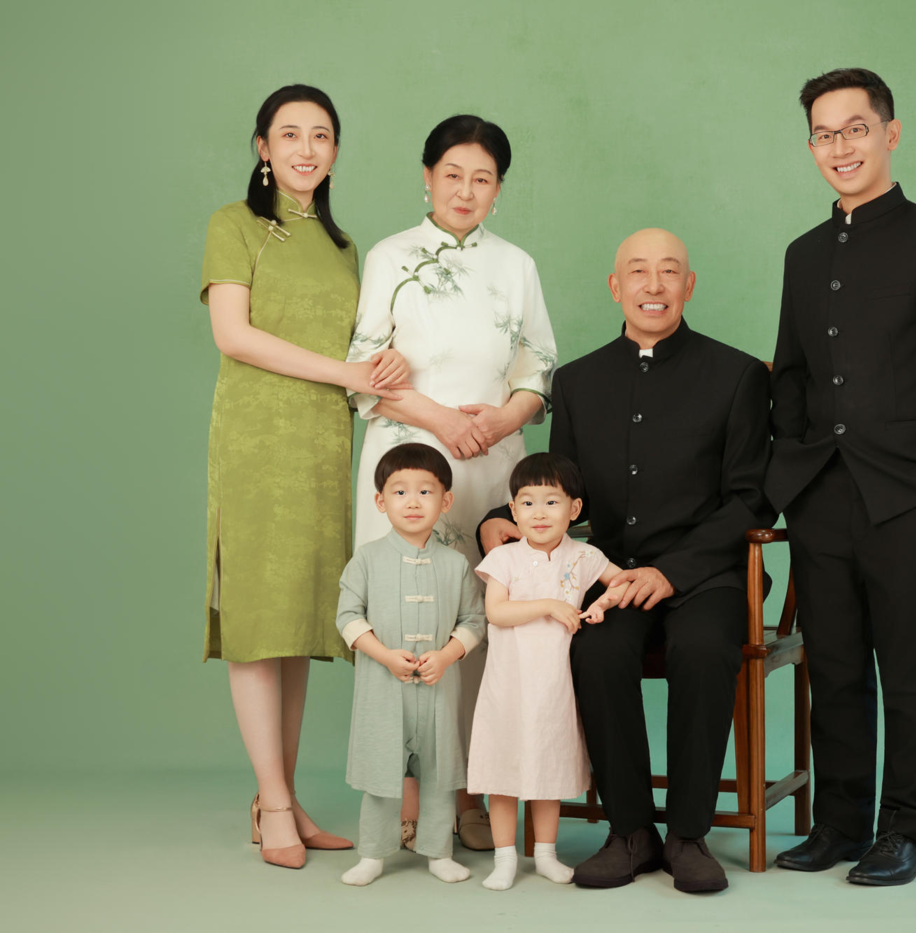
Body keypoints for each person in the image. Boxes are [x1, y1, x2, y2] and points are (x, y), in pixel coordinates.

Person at [478, 228, 772, 894]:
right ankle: (631, 831)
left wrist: (674, 571)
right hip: (611, 575)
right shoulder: (578, 381)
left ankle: (688, 835)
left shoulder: (737, 375)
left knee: (703, 650)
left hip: (706, 575)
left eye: (669, 271)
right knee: (597, 651)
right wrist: (500, 515)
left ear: (688, 285)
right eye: (638, 271)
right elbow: (562, 485)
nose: (653, 285)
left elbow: (751, 496)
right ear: (616, 287)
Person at [767, 68, 916, 886]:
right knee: (835, 666)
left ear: (889, 133)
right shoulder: (803, 253)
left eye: (854, 129)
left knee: (913, 671)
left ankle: (908, 831)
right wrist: (791, 475)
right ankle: (841, 822)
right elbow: (791, 373)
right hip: (821, 492)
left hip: (909, 496)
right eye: (825, 134)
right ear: (812, 147)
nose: (841, 147)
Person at [200, 84, 409, 869]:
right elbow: (233, 335)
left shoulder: (343, 244)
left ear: (335, 151)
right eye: (289, 134)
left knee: (297, 625)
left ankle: (278, 797)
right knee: (260, 621)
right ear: (263, 147)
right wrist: (347, 371)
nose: (305, 148)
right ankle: (275, 800)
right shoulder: (234, 224)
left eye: (321, 135)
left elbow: (363, 350)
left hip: (325, 446)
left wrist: (385, 368)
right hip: (256, 443)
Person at [348, 114, 558, 852]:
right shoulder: (390, 256)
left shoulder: (517, 265)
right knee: (403, 619)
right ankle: (405, 795)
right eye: (452, 175)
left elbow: (538, 369)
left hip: (490, 466)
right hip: (406, 460)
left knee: (482, 623)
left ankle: (472, 791)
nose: (466, 191)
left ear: (499, 189)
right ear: (427, 177)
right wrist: (443, 420)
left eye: (483, 178)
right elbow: (365, 373)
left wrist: (500, 422)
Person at [468, 453, 632, 891]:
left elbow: (623, 582)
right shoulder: (504, 559)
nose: (538, 513)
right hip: (508, 685)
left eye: (551, 502)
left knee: (548, 766)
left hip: (554, 686)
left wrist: (601, 603)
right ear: (513, 509)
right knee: (503, 769)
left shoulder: (584, 555)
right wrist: (550, 606)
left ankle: (545, 854)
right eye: (527, 503)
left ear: (574, 509)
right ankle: (505, 857)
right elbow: (497, 613)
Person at [336, 444, 487, 887]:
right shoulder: (366, 559)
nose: (413, 501)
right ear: (380, 501)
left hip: (440, 692)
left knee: (440, 775)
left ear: (446, 500)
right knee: (382, 775)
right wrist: (385, 655)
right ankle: (372, 854)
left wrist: (446, 655)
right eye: (400, 491)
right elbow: (347, 617)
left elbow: (474, 621)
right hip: (383, 690)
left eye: (426, 491)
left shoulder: (456, 564)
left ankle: (438, 852)